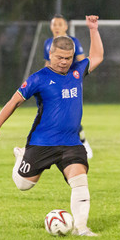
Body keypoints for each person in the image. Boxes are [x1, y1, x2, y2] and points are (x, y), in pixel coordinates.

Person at [0, 15, 104, 236]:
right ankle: (21, 157)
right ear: (50, 54)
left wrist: (93, 29)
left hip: (70, 142)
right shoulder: (38, 78)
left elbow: (97, 55)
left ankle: (81, 227)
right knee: (24, 184)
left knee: (80, 181)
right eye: (60, 57)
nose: (64, 62)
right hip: (42, 142)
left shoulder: (77, 72)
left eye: (68, 58)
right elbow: (14, 102)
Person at [44, 14, 93, 159]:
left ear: (66, 26)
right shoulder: (48, 43)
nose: (57, 27)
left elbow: (82, 62)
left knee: (70, 115)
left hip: (69, 83)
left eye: (60, 24)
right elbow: (47, 63)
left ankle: (82, 141)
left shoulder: (73, 42)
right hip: (53, 85)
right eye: (54, 24)